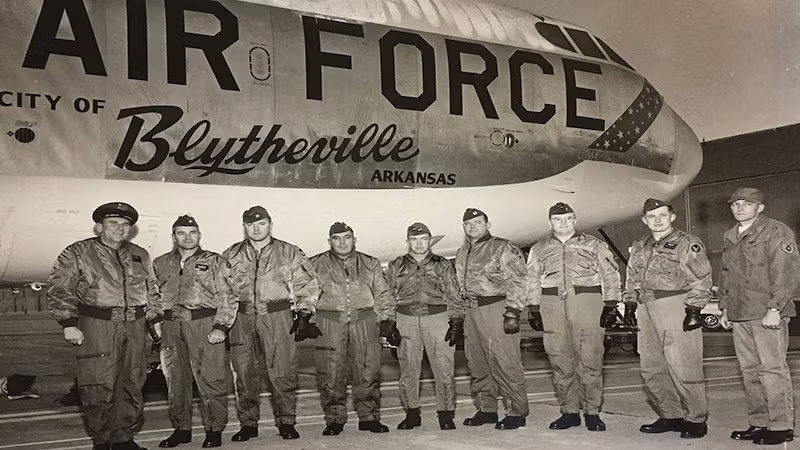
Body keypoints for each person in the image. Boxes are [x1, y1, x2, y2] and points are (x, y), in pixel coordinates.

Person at [48, 202, 162, 450]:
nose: (120, 229)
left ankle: (122, 438)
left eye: (125, 225)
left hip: (134, 324)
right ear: (99, 226)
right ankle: (101, 440)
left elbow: (151, 290)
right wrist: (68, 322)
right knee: (98, 384)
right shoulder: (79, 252)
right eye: (113, 223)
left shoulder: (140, 253)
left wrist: (154, 321)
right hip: (97, 324)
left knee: (131, 382)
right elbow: (60, 288)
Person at [219, 206, 321, 442]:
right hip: (242, 318)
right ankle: (248, 424)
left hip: (277, 315)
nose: (256, 228)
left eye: (261, 223)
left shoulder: (289, 252)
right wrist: (224, 322)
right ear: (244, 226)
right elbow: (224, 291)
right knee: (243, 373)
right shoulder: (231, 254)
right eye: (251, 224)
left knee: (283, 372)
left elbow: (306, 283)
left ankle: (286, 421)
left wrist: (304, 314)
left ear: (270, 224)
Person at [526, 202, 621, 432]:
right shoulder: (538, 248)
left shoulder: (594, 245)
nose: (563, 223)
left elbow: (610, 274)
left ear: (575, 220)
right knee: (560, 361)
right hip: (551, 305)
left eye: (568, 218)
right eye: (558, 219)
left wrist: (610, 304)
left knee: (589, 359)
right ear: (550, 222)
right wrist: (533, 307)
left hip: (587, 303)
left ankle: (592, 412)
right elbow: (531, 278)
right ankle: (569, 411)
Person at [623, 198, 711, 439]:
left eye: (662, 215)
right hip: (645, 306)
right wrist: (629, 303)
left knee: (684, 364)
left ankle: (695, 418)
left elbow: (701, 278)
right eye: (652, 216)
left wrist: (694, 309)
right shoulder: (640, 245)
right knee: (651, 366)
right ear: (644, 220)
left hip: (676, 303)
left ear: (672, 216)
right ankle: (670, 415)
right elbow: (632, 277)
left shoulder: (687, 243)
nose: (657, 220)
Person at [718, 187, 797, 446]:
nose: (740, 208)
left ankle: (781, 426)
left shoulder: (776, 231)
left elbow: (785, 271)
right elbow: (726, 274)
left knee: (772, 370)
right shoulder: (731, 236)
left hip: (766, 313)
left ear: (760, 207)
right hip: (741, 312)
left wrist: (775, 308)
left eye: (747, 203)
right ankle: (759, 423)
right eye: (735, 203)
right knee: (749, 371)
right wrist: (726, 307)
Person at [153, 216, 236, 448]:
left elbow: (228, 295)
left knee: (210, 379)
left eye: (192, 233)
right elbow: (151, 295)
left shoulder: (215, 261)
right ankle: (182, 429)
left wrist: (221, 326)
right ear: (173, 237)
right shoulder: (160, 263)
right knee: (175, 380)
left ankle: (213, 430)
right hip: (171, 326)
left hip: (204, 324)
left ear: (199, 235)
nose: (187, 237)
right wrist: (154, 321)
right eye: (181, 233)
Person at [310, 222, 398, 436]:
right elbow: (307, 292)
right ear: (329, 241)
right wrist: (307, 317)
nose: (342, 242)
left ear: (354, 239)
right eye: (337, 238)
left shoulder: (370, 263)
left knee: (368, 371)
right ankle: (334, 419)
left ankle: (368, 417)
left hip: (364, 319)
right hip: (329, 321)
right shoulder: (315, 264)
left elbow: (383, 293)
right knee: (330, 373)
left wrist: (387, 320)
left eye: (346, 237)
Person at [386, 222, 465, 431]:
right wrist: (388, 323)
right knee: (408, 369)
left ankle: (445, 413)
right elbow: (387, 295)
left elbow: (453, 293)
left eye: (423, 239)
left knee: (444, 368)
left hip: (437, 318)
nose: (419, 244)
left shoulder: (442, 264)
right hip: (406, 319)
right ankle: (412, 413)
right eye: (414, 239)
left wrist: (456, 321)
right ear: (408, 241)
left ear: (430, 240)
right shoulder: (396, 265)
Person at [455, 208, 529, 430]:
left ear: (487, 224)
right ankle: (487, 409)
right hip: (471, 311)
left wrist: (513, 312)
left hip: (496, 308)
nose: (473, 227)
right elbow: (460, 285)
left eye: (477, 222)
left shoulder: (502, 247)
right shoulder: (461, 252)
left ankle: (517, 411)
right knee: (477, 362)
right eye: (468, 224)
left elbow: (519, 280)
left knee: (505, 361)